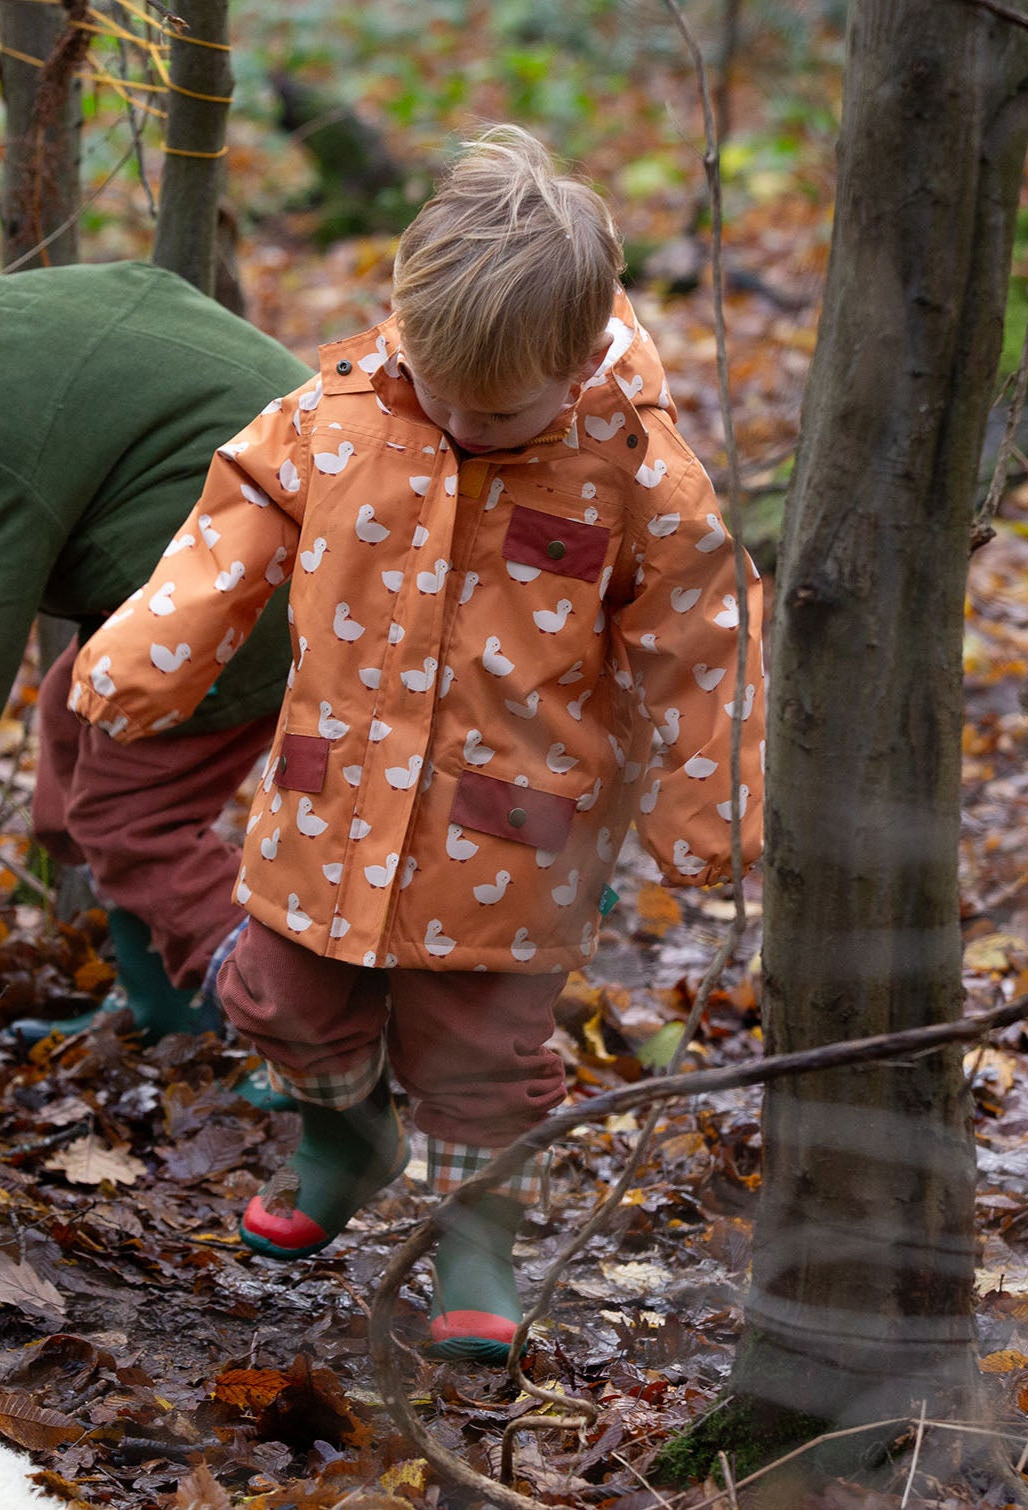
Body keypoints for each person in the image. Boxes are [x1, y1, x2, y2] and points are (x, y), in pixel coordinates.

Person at [67, 125, 766, 1363]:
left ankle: (473, 1232)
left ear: (572, 359)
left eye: (490, 409)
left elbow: (700, 638)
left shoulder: (632, 471)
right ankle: (342, 1135)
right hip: (329, 797)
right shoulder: (339, 407)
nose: (450, 416)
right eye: (430, 383)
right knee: (280, 994)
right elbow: (234, 523)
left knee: (482, 1052)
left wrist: (705, 818)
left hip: (509, 828)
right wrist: (143, 655)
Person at [0, 217, 311, 1049]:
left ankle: (306, 1042)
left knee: (129, 819)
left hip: (274, 575)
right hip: (277, 547)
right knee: (68, 726)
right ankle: (159, 1009)